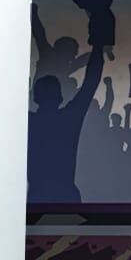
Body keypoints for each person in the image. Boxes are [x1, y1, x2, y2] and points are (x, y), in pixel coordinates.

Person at [28, 44, 104, 202]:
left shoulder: (28, 123)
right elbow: (91, 82)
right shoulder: (68, 119)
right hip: (64, 196)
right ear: (59, 97)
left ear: (36, 97)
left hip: (38, 197)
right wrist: (99, 45)